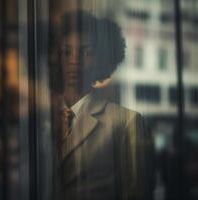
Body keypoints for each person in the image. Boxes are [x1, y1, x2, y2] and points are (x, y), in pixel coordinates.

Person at [54, 11, 154, 200]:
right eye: (66, 52)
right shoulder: (41, 119)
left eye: (86, 52)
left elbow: (137, 193)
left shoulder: (126, 123)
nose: (74, 60)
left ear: (101, 59)